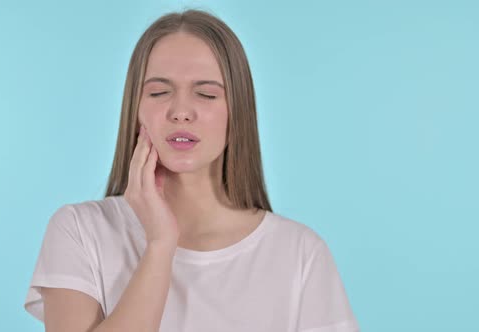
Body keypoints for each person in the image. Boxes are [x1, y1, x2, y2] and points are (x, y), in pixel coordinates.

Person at [24, 9, 360, 332]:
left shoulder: (300, 253)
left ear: (237, 112)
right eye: (159, 92)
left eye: (206, 94)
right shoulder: (80, 232)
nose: (181, 111)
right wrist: (159, 244)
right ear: (135, 110)